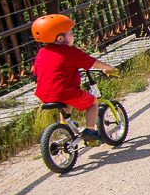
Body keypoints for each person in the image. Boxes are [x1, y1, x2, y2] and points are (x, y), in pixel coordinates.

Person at [31, 14, 114, 143]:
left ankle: (64, 125)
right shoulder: (70, 52)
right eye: (70, 33)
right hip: (66, 92)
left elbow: (35, 70)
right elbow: (91, 62)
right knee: (92, 103)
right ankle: (90, 131)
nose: (72, 36)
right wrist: (108, 68)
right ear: (60, 38)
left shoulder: (42, 53)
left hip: (44, 94)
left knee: (65, 101)